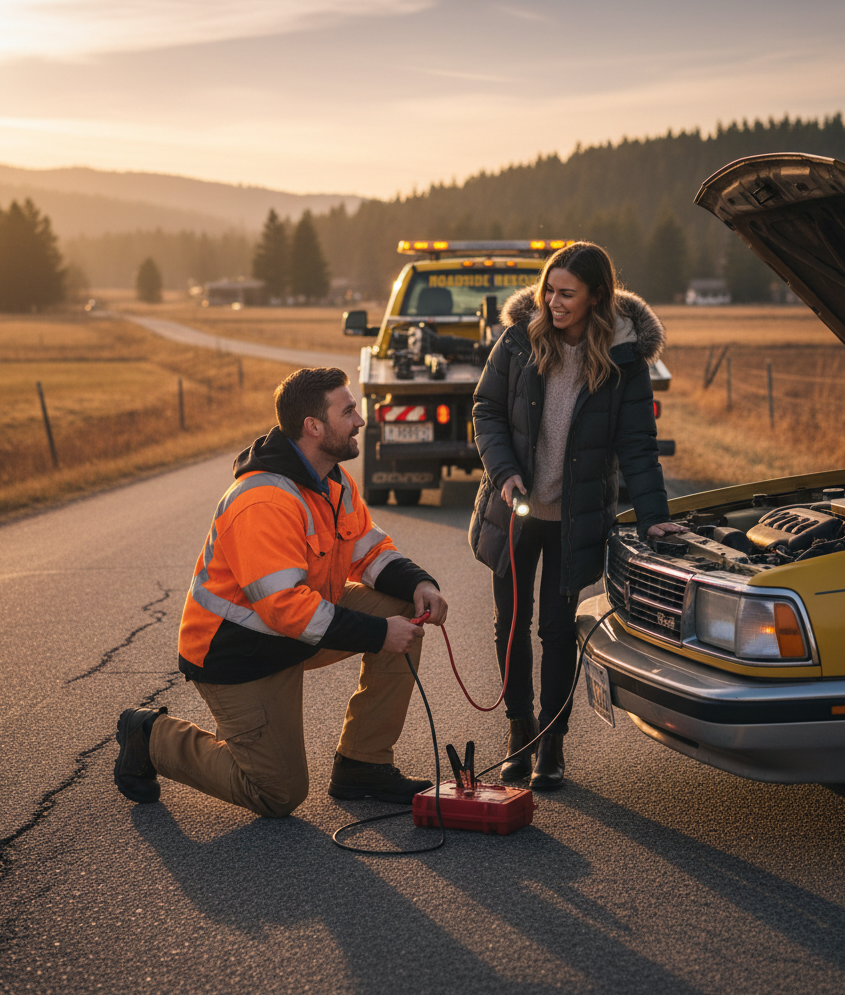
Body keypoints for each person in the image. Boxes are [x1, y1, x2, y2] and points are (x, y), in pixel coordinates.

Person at [114, 367, 448, 817]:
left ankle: (362, 764)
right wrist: (376, 634)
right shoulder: (263, 500)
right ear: (314, 427)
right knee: (277, 794)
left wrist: (420, 583)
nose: (360, 420)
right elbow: (286, 610)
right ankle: (149, 736)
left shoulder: (333, 481)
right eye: (348, 411)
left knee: (405, 608)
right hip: (239, 655)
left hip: (295, 633)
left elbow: (370, 550)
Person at [469, 241, 685, 790]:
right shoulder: (518, 342)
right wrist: (502, 471)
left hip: (574, 518)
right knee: (511, 625)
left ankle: (551, 743)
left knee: (558, 631)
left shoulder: (623, 359)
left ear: (597, 297)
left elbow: (638, 444)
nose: (554, 302)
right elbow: (486, 410)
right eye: (549, 290)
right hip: (513, 509)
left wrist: (654, 513)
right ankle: (518, 730)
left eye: (567, 293)